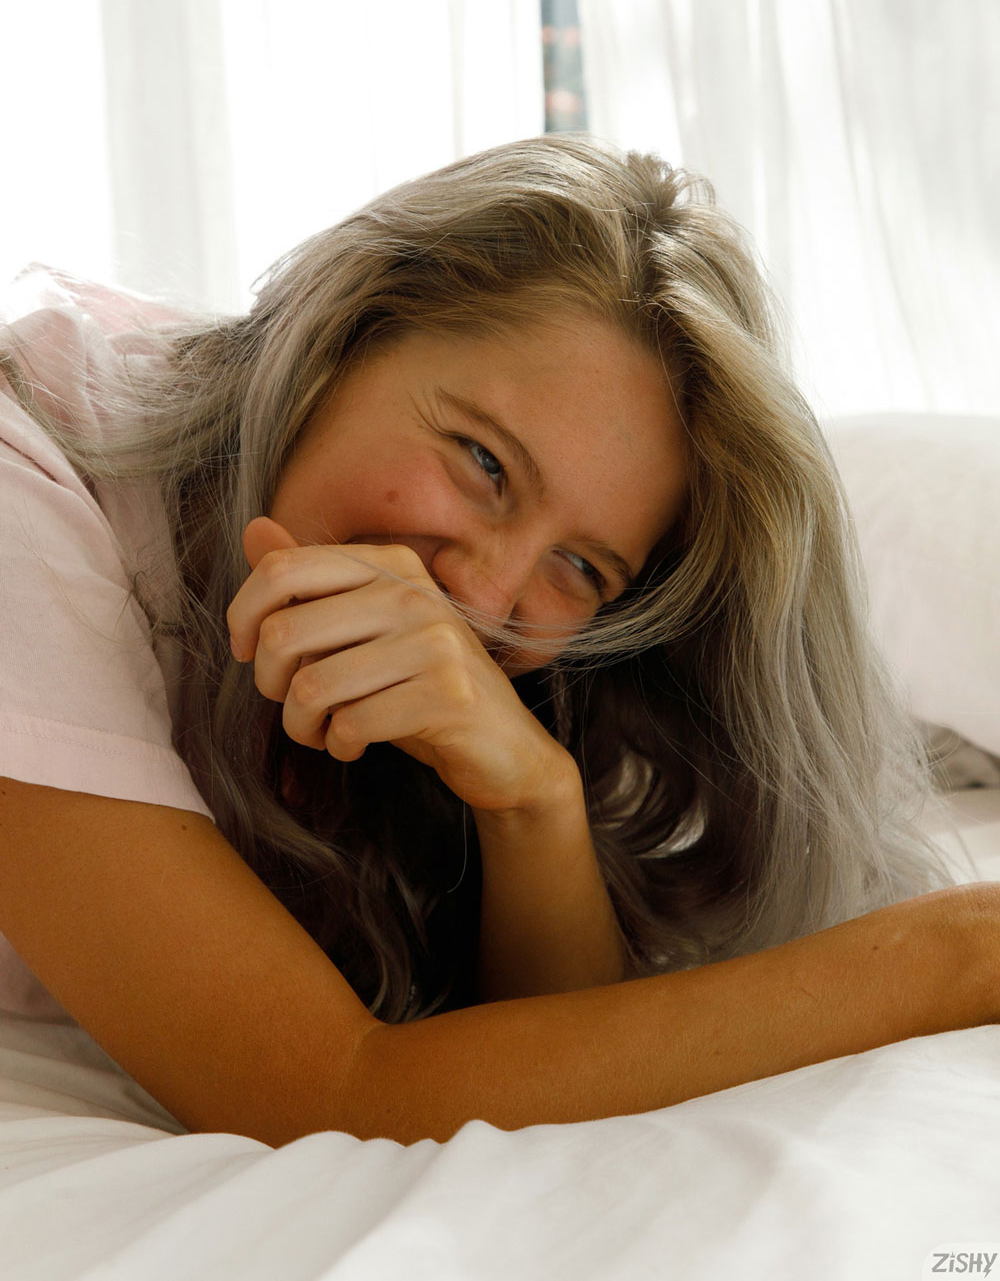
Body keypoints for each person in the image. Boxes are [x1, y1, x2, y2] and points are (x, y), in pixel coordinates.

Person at [0, 133, 995, 1149]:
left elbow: (551, 1059)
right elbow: (327, 1092)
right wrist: (950, 954)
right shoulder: (23, 479)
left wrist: (533, 800)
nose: (481, 592)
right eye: (482, 462)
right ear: (343, 336)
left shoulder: (517, 674)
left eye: (582, 568)